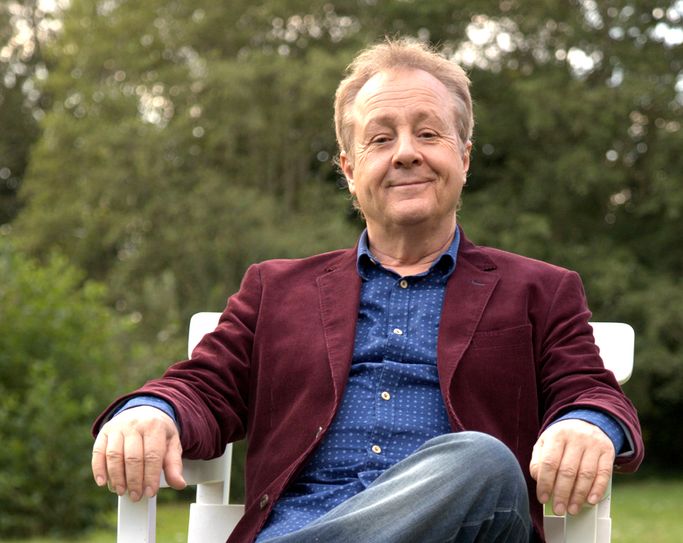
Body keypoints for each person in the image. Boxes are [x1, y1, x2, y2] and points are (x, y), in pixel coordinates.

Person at [91, 38, 643, 543]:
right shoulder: (274, 290)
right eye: (381, 139)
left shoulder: (541, 291)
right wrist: (153, 410)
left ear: (464, 157)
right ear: (350, 170)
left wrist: (586, 423)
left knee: (485, 462)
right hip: (301, 522)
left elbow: (591, 392)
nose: (405, 153)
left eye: (428, 133)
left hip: (466, 528)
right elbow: (205, 387)